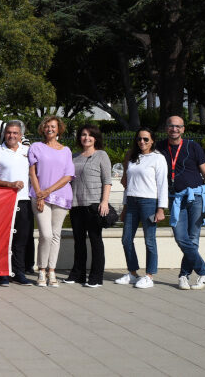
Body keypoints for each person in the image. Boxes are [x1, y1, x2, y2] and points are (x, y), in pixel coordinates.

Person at [156, 116, 205, 290]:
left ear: (183, 129)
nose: (174, 129)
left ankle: (184, 275)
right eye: (170, 126)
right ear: (166, 128)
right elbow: (140, 151)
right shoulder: (160, 147)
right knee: (180, 237)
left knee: (193, 238)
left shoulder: (193, 146)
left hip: (196, 197)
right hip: (175, 198)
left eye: (178, 126)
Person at [116, 127, 168, 289]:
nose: (142, 142)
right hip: (131, 201)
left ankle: (149, 275)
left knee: (149, 240)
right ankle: (132, 273)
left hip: (149, 202)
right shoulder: (133, 157)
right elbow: (127, 184)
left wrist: (161, 209)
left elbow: (162, 185)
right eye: (139, 139)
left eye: (146, 139)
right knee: (126, 239)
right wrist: (124, 207)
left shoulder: (158, 158)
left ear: (152, 140)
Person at [28, 115, 74, 288]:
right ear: (42, 129)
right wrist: (41, 194)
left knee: (55, 235)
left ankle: (52, 271)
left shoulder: (66, 150)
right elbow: (32, 173)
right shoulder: (36, 147)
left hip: (61, 196)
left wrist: (48, 191)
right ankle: (41, 269)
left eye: (53, 126)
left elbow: (68, 176)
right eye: (47, 126)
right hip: (40, 197)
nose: (50, 129)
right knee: (45, 235)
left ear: (59, 129)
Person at [0, 120, 34, 286]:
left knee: (21, 239)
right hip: (4, 202)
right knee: (3, 239)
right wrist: (9, 185)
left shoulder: (28, 152)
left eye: (15, 133)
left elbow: (36, 175)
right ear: (4, 134)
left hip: (24, 200)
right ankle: (3, 273)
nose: (12, 135)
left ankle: (19, 272)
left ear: (21, 135)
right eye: (9, 132)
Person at [68, 124, 112, 288]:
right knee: (78, 241)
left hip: (94, 205)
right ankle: (78, 274)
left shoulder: (101, 155)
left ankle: (96, 277)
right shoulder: (74, 156)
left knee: (95, 240)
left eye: (90, 135)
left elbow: (107, 181)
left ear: (95, 138)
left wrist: (104, 201)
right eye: (83, 134)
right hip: (76, 204)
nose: (86, 138)